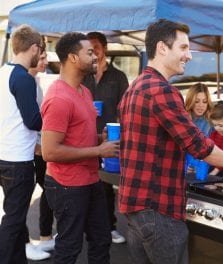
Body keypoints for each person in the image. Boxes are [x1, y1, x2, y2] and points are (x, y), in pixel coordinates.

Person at [118, 19, 223, 264]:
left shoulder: (136, 86)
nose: (189, 56)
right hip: (158, 209)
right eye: (183, 48)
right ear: (163, 48)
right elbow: (199, 146)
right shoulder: (162, 90)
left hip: (135, 207)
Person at [41, 32, 120, 264]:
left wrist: (98, 138)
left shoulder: (84, 91)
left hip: (90, 179)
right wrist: (98, 151)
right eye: (89, 52)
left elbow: (77, 136)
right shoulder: (58, 98)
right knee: (69, 248)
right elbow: (50, 151)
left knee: (101, 240)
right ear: (73, 58)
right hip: (67, 186)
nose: (95, 55)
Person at [0, 24, 42, 264]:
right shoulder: (23, 78)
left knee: (14, 218)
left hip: (4, 155)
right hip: (18, 162)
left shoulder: (3, 72)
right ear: (34, 47)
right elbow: (34, 121)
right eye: (41, 49)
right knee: (13, 221)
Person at [82, 31, 128, 244]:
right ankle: (83, 227)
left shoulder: (118, 76)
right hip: (85, 136)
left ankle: (110, 227)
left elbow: (126, 110)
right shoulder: (83, 75)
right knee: (85, 182)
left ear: (104, 49)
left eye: (96, 48)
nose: (93, 52)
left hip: (110, 138)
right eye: (89, 49)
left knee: (107, 184)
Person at [26, 40, 55, 261]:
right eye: (42, 57)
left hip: (39, 148)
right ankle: (27, 243)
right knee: (21, 199)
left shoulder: (35, 81)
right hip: (29, 151)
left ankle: (45, 237)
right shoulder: (23, 81)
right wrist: (37, 145)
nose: (45, 62)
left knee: (48, 191)